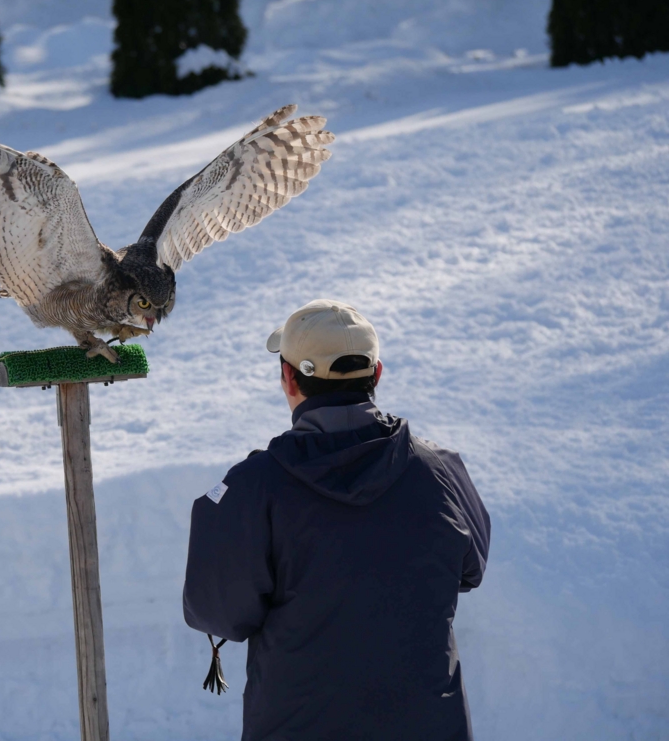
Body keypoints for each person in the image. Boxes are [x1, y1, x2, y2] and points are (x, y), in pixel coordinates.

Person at [183, 299, 491, 741]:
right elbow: (470, 569)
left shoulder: (254, 488)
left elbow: (219, 612)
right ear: (377, 374)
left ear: (288, 378)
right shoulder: (441, 470)